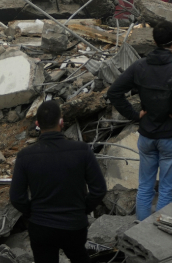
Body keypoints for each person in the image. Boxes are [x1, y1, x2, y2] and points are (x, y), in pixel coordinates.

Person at [106, 25, 172, 220]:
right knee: (167, 190)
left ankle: (141, 231)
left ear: (154, 42)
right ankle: (158, 236)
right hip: (170, 137)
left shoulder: (139, 66)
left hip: (147, 136)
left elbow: (114, 92)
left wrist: (135, 116)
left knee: (145, 187)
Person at [10, 100, 107, 263]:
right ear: (61, 122)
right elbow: (99, 189)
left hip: (41, 227)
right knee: (79, 256)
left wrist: (32, 213)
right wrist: (82, 209)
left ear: (37, 124)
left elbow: (16, 197)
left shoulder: (25, 156)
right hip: (74, 225)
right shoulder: (82, 150)